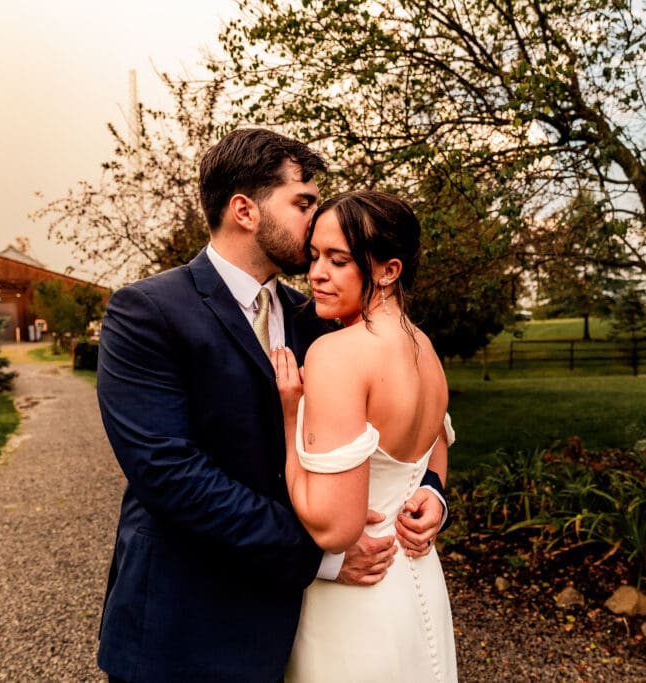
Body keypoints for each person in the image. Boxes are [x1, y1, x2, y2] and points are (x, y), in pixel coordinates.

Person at [95, 129, 449, 682]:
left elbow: (401, 412)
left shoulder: (318, 318)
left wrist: (430, 489)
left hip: (296, 628)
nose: (316, 220)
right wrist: (321, 557)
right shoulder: (147, 312)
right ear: (245, 210)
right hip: (188, 627)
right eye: (304, 203)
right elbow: (168, 474)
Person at [270, 190, 458, 682]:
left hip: (356, 600)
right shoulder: (425, 349)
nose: (316, 274)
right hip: (418, 581)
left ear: (388, 270)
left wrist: (291, 417)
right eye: (314, 256)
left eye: (338, 260)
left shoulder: (336, 354)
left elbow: (334, 528)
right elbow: (437, 443)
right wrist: (434, 495)